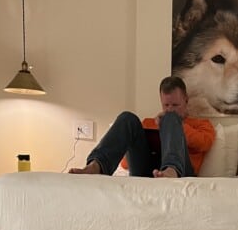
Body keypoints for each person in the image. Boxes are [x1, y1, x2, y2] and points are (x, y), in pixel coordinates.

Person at [69, 76, 215, 178]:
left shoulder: (202, 125)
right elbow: (126, 164)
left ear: (186, 100)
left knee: (171, 118)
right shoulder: (148, 123)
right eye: (166, 105)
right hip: (146, 171)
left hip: (182, 173)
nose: (170, 109)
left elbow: (204, 143)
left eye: (175, 105)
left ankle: (171, 170)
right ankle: (96, 166)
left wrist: (173, 124)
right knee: (128, 117)